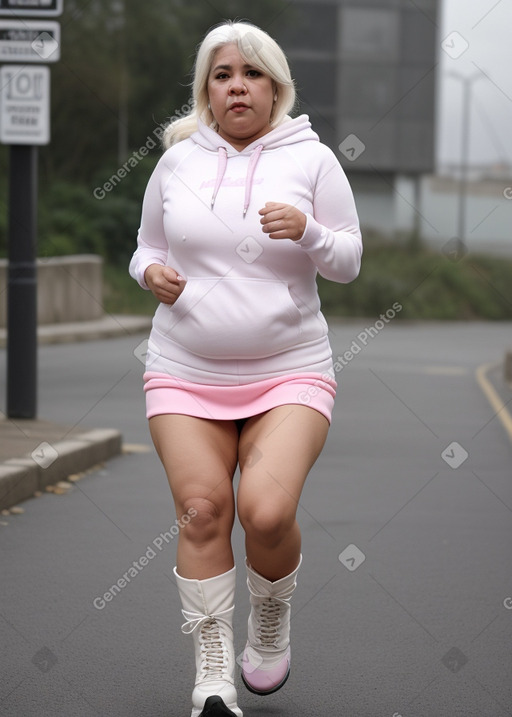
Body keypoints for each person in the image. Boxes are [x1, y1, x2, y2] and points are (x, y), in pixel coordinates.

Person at [129, 19, 362, 717]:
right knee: (203, 509)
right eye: (223, 74)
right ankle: (211, 663)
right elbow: (142, 247)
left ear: (276, 87)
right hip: (183, 368)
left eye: (252, 74)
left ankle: (270, 611)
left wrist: (310, 231)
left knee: (265, 511)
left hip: (289, 369)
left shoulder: (313, 159)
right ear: (207, 88)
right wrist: (153, 275)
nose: (237, 86)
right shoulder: (176, 161)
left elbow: (348, 260)